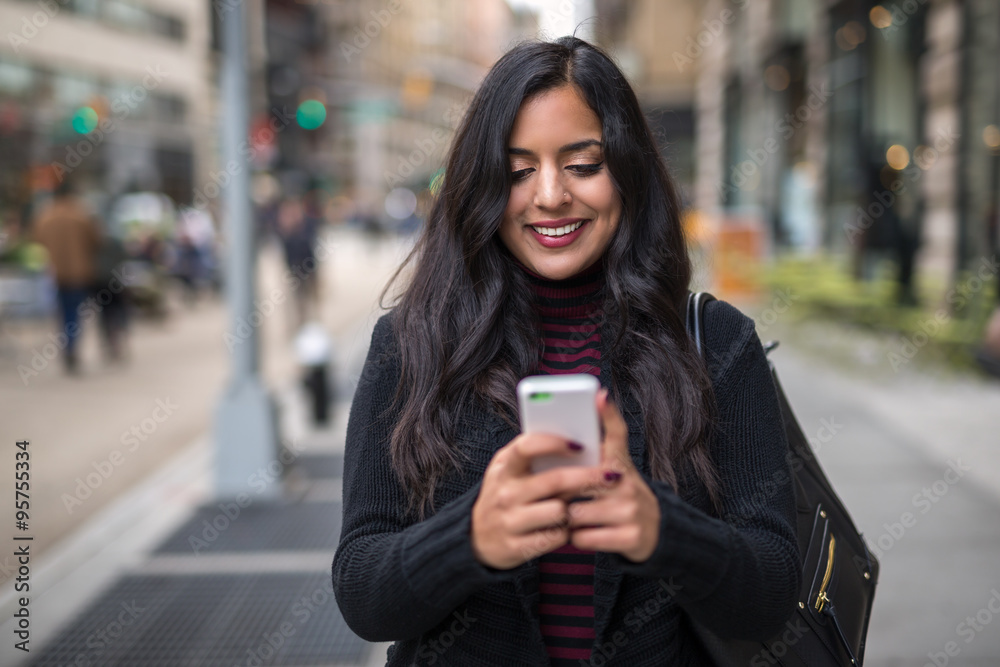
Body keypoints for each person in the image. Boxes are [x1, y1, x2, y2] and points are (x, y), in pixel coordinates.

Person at [332, 37, 800, 666]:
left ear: (628, 172)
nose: (550, 195)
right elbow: (363, 593)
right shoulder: (410, 344)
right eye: (518, 170)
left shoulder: (714, 343)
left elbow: (771, 596)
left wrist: (666, 532)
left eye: (582, 164)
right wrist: (469, 538)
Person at [31, 179, 102, 373]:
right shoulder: (81, 215)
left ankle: (67, 347)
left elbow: (37, 240)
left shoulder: (46, 216)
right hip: (79, 273)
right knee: (75, 313)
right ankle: (72, 348)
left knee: (62, 313)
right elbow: (96, 240)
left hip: (55, 273)